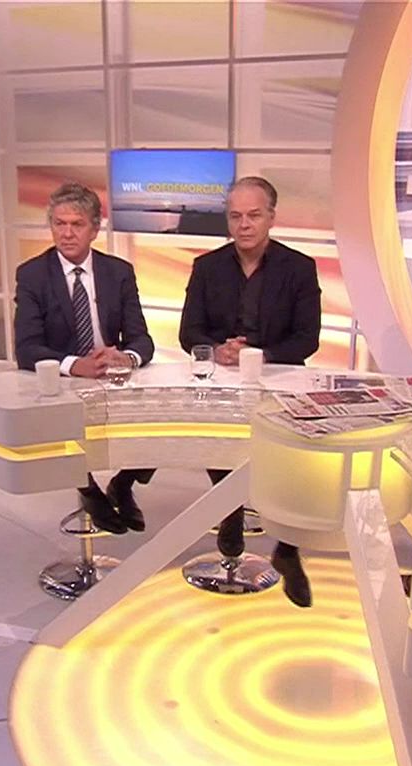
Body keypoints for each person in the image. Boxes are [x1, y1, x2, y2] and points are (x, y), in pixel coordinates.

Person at [179, 176, 322, 606]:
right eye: (235, 216)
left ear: (271, 218)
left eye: (254, 216)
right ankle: (229, 513)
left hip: (278, 377)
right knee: (216, 438)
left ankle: (288, 550)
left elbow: (307, 339)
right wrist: (218, 350)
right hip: (223, 378)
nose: (244, 225)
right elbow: (189, 332)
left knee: (296, 460)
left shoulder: (299, 268)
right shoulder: (207, 267)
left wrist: (257, 356)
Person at [12, 182, 156, 534]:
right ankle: (88, 488)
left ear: (95, 228)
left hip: (111, 376)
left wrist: (125, 358)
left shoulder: (118, 272)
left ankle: (123, 483)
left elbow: (142, 340)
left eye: (76, 224)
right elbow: (26, 348)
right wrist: (76, 366)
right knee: (56, 424)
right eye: (59, 224)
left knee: (162, 419)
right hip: (62, 380)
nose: (66, 233)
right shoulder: (32, 275)